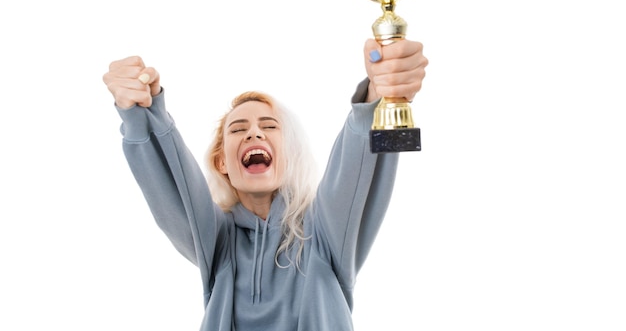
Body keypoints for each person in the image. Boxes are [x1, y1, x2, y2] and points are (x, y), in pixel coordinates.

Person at [103, 38, 428, 330]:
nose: (254, 133)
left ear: (287, 155)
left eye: (269, 126)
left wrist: (382, 96)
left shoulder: (322, 235)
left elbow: (357, 167)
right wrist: (141, 111)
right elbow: (174, 188)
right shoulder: (218, 243)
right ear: (222, 162)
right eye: (237, 128)